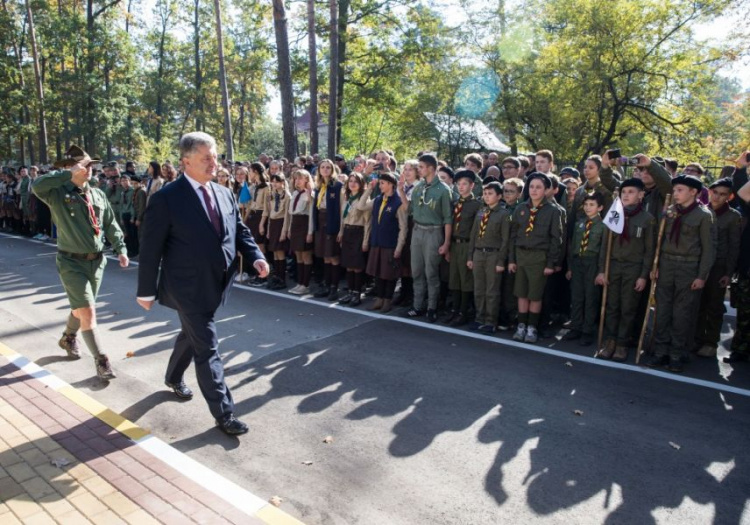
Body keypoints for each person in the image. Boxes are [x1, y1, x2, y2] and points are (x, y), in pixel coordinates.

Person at [137, 132, 269, 435]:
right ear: (186, 161)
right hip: (186, 286)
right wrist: (145, 290)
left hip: (217, 283)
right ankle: (224, 414)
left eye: (215, 156)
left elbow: (239, 230)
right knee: (207, 348)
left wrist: (255, 256)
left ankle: (172, 376)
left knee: (192, 333)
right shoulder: (166, 198)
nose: (214, 163)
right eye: (206, 158)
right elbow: (150, 248)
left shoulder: (224, 193)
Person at [32, 145, 128, 380]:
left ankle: (68, 337)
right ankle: (101, 360)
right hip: (71, 262)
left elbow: (110, 224)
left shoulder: (97, 193)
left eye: (91, 165)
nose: (90, 169)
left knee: (81, 308)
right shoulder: (56, 193)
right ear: (70, 168)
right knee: (87, 311)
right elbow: (37, 186)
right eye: (85, 165)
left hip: (97, 262)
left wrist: (121, 249)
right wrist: (68, 173)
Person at [646, 172, 715, 373]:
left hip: (688, 267)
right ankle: (660, 350)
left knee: (681, 313)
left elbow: (708, 248)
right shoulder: (669, 211)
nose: (675, 193)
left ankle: (676, 353)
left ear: (694, 192)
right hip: (667, 264)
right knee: (662, 310)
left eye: (680, 190)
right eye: (674, 189)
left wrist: (702, 275)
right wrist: (655, 266)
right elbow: (660, 243)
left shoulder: (703, 215)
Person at [595, 178, 656, 362]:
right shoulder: (614, 214)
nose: (626, 195)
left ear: (641, 195)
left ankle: (622, 343)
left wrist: (643, 275)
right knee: (611, 305)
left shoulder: (647, 219)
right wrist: (601, 270)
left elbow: (649, 251)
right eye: (624, 192)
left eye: (631, 192)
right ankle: (610, 341)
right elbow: (605, 246)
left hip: (633, 267)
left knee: (628, 307)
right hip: (613, 265)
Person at [508, 173, 564, 343]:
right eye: (531, 186)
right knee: (521, 293)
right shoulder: (521, 208)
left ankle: (532, 327)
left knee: (535, 295)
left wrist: (551, 263)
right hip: (521, 255)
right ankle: (521, 325)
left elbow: (557, 239)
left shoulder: (553, 211)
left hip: (540, 257)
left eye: (538, 187)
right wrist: (512, 259)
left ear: (547, 190)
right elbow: (513, 236)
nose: (534, 190)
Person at [693, 178, 741, 358]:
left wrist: (728, 273)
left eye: (723, 195)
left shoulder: (733, 217)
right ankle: (696, 338)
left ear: (730, 196)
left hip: (718, 266)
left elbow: (734, 246)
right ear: (709, 191)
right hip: (699, 263)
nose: (717, 197)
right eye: (715, 192)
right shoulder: (702, 211)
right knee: (698, 303)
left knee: (714, 304)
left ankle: (710, 341)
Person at [406, 154, 453, 323]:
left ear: (431, 168)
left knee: (431, 272)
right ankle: (418, 305)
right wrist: (399, 190)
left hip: (434, 232)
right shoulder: (418, 187)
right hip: (418, 230)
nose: (418, 170)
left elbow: (448, 219)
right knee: (416, 270)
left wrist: (446, 242)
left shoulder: (443, 190)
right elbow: (409, 210)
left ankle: (432, 307)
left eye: (421, 167)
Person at [467, 181, 511, 333]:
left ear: (499, 196)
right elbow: (473, 234)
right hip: (478, 253)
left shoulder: (504, 214)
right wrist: (470, 256)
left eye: (490, 193)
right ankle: (479, 318)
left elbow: (506, 240)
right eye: (485, 193)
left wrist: (501, 261)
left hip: (493, 254)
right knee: (479, 288)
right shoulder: (481, 211)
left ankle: (490, 321)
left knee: (491, 290)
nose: (486, 196)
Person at [563, 193, 605, 346]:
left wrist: (601, 271)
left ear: (600, 207)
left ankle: (588, 330)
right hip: (577, 262)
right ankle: (576, 326)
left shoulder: (603, 226)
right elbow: (573, 246)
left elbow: (603, 251)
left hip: (592, 263)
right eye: (586, 204)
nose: (588, 208)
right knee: (577, 296)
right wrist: (569, 267)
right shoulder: (580, 223)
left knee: (591, 297)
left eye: (592, 205)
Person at [443, 170, 482, 326]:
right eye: (458, 184)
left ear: (472, 185)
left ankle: (463, 312)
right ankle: (455, 310)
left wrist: (472, 253)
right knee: (454, 279)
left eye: (465, 184)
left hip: (467, 245)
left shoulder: (477, 205)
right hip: (454, 244)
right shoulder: (455, 203)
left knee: (466, 280)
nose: (461, 187)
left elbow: (477, 230)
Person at [365, 172, 408, 313]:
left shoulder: (398, 202)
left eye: (382, 183)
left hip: (390, 245)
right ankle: (379, 298)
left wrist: (399, 247)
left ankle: (387, 300)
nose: (380, 185)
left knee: (389, 274)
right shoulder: (378, 199)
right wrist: (369, 190)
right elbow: (361, 206)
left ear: (391, 184)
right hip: (377, 242)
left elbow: (403, 227)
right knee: (378, 273)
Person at [338, 173, 371, 306]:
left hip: (358, 232)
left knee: (357, 266)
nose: (352, 184)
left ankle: (357, 293)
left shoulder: (364, 200)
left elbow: (368, 222)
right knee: (348, 265)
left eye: (356, 181)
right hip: (347, 232)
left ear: (361, 184)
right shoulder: (347, 198)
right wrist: (341, 232)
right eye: (350, 181)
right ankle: (350, 292)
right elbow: (343, 217)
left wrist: (365, 241)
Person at [312, 159, 344, 300]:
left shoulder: (338, 186)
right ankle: (326, 284)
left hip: (332, 222)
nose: (325, 170)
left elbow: (341, 208)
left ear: (333, 170)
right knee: (325, 255)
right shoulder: (319, 186)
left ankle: (334, 287)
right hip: (320, 221)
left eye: (328, 168)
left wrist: (340, 229)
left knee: (333, 256)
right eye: (322, 167)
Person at [286, 169, 315, 295]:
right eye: (296, 178)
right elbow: (292, 214)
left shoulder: (310, 195)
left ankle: (305, 284)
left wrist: (310, 232)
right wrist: (289, 229)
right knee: (298, 255)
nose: (297, 181)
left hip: (304, 224)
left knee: (306, 255)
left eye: (300, 178)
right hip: (295, 225)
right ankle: (299, 283)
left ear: (307, 180)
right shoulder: (295, 194)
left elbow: (311, 215)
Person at [263, 173, 290, 290]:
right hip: (273, 224)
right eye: (272, 181)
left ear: (283, 182)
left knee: (280, 252)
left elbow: (287, 215)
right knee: (274, 252)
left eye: (277, 182)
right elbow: (269, 214)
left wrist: (284, 231)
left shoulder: (287, 196)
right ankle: (276, 277)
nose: (274, 184)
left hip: (281, 223)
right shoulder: (271, 195)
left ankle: (282, 278)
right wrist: (268, 229)